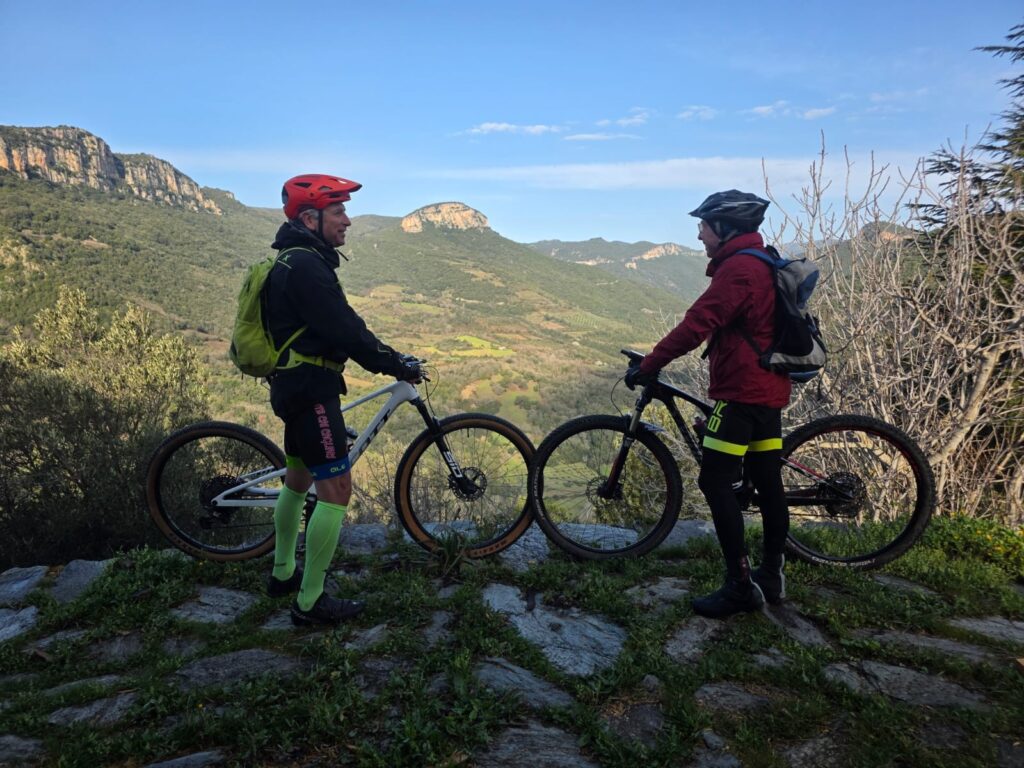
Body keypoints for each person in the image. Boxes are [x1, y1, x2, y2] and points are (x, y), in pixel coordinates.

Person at [264, 173, 421, 626]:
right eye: (338, 212)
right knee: (335, 491)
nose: (347, 221)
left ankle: (282, 573)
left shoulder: (294, 259)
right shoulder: (307, 267)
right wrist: (394, 363)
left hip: (292, 385)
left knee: (297, 481)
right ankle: (310, 603)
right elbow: (346, 329)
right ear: (309, 218)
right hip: (312, 390)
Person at [625, 190, 790, 619]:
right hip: (768, 389)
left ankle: (740, 585)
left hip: (740, 393)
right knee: (767, 480)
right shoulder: (762, 260)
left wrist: (651, 363)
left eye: (703, 226)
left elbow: (697, 324)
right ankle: (772, 576)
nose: (699, 234)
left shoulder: (739, 270)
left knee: (715, 481)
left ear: (724, 228)